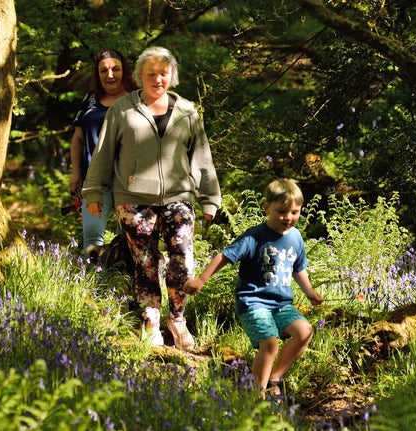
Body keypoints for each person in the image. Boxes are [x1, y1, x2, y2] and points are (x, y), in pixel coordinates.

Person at [82, 46, 221, 350]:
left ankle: (178, 318)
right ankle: (151, 321)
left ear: (172, 75)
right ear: (139, 76)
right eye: (151, 74)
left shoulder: (187, 111)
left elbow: (201, 157)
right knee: (144, 262)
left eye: (163, 73)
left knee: (182, 258)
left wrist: (210, 198)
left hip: (179, 196)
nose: (157, 79)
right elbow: (103, 153)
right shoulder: (123, 109)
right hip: (133, 198)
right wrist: (94, 190)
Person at [183, 178, 323, 403]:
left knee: (305, 332)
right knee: (270, 343)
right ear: (267, 208)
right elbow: (225, 255)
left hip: (281, 304)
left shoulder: (295, 237)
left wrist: (310, 292)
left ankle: (275, 378)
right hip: (253, 301)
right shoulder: (255, 236)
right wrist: (201, 279)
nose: (288, 217)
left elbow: (298, 268)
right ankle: (257, 397)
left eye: (295, 212)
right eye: (282, 211)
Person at [69, 48, 137, 262]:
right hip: (95, 181)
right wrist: (75, 174)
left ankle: (123, 287)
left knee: (129, 239)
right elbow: (78, 140)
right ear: (97, 74)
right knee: (92, 239)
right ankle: (94, 288)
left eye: (115, 69)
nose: (110, 75)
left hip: (129, 181)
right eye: (104, 70)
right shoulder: (90, 100)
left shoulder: (136, 99)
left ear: (124, 71)